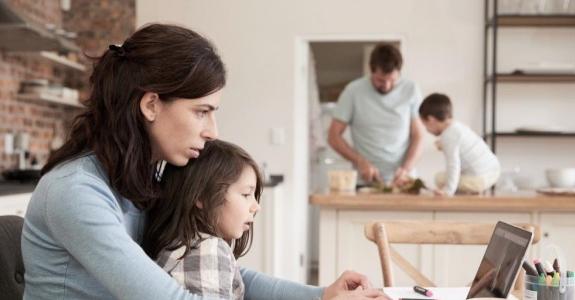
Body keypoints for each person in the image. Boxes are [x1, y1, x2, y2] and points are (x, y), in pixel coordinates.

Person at [20, 23, 390, 300]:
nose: (213, 130)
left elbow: (220, 268)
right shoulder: (77, 191)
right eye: (202, 112)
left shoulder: (144, 180)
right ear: (150, 105)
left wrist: (321, 295)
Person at [143, 140, 262, 299]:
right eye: (246, 194)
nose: (256, 207)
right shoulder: (209, 249)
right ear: (201, 197)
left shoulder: (177, 242)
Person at [328, 43, 424, 187]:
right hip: (365, 182)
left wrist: (406, 168)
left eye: (392, 80)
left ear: (399, 72)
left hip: (403, 181)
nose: (386, 86)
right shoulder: (353, 91)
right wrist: (359, 161)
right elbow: (333, 136)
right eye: (380, 80)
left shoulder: (411, 90)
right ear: (371, 71)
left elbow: (418, 135)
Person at [418, 93, 500, 196]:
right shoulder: (458, 127)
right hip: (493, 170)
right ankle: (472, 190)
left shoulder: (448, 136)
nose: (427, 130)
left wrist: (447, 191)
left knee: (439, 178)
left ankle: (468, 191)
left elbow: (453, 165)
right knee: (456, 175)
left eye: (425, 125)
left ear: (431, 119)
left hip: (480, 179)